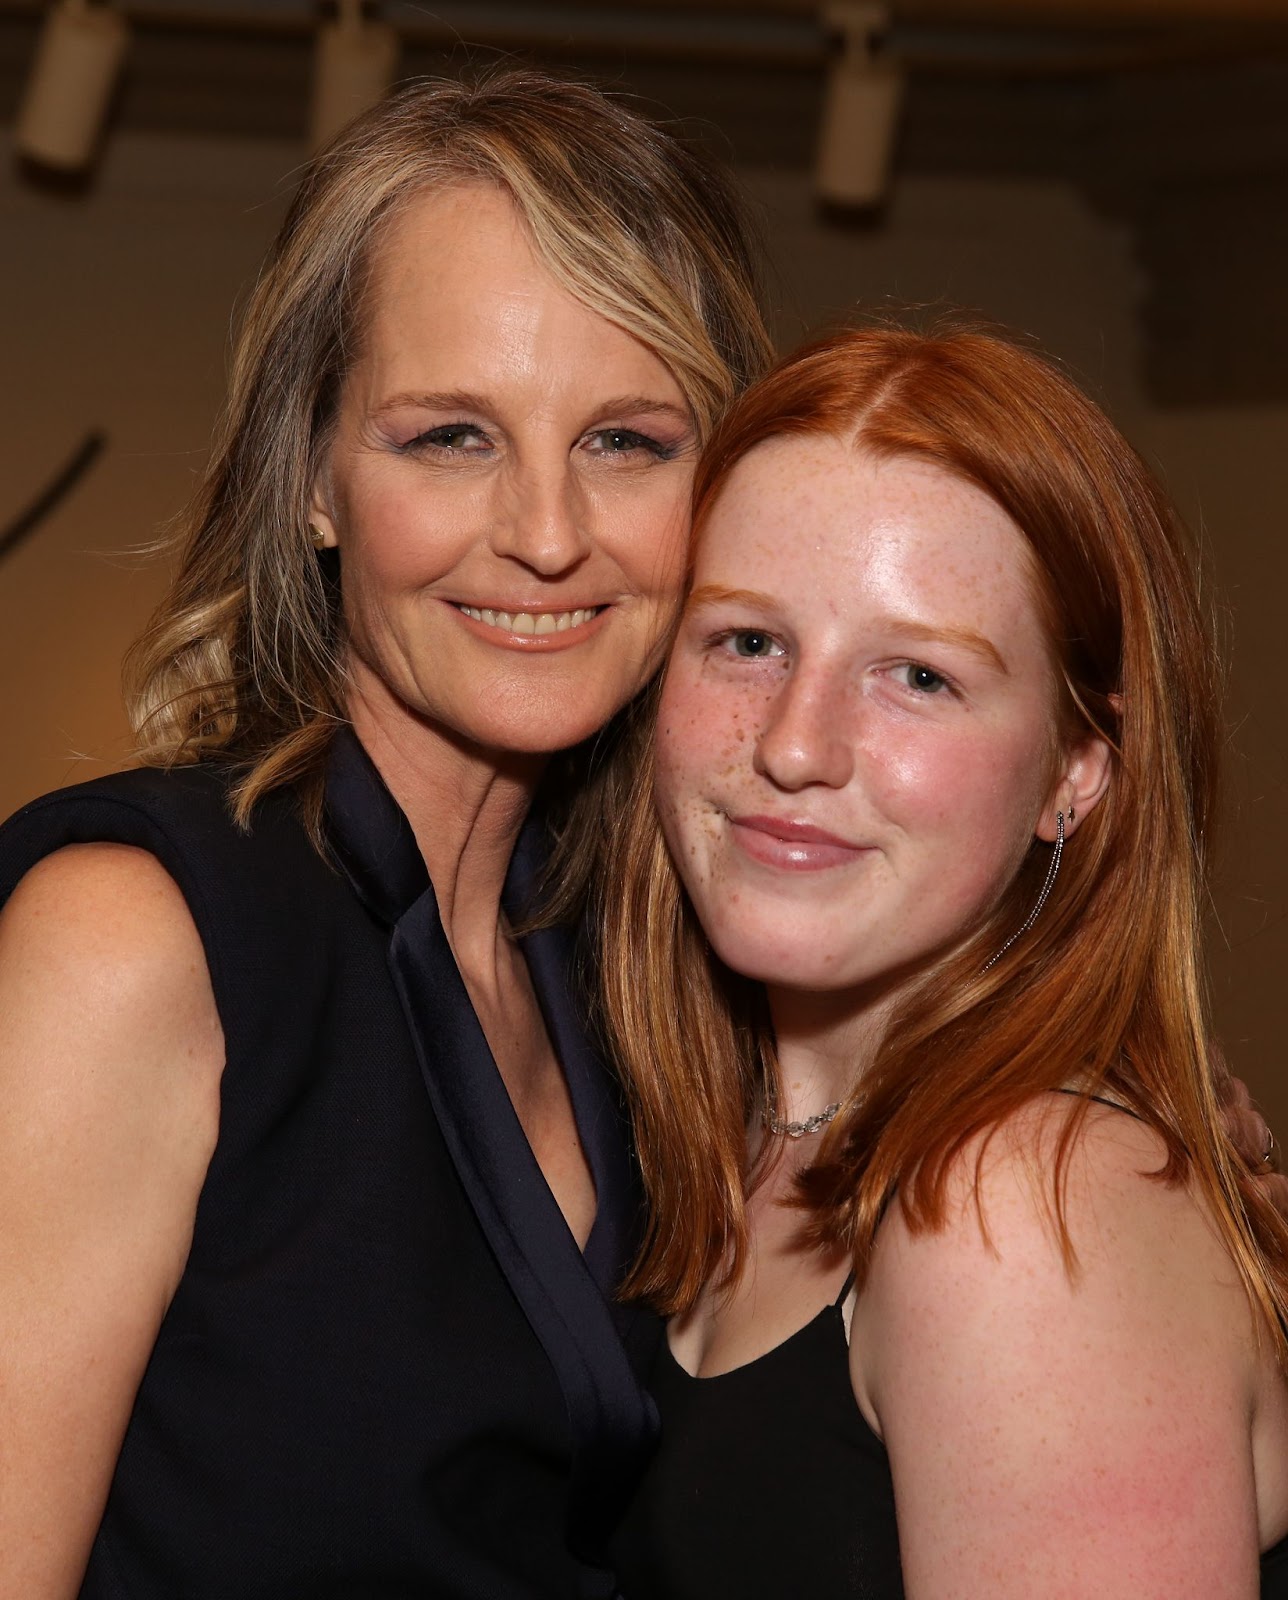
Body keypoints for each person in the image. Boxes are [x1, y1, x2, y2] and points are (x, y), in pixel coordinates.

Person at [0, 70, 772, 1599]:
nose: (548, 532)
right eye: (450, 438)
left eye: (628, 440)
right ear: (314, 481)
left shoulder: (652, 973)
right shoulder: (138, 940)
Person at [602, 325, 1288, 1597]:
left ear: (1079, 770)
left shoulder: (1015, 1207)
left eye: (916, 674)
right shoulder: (693, 1140)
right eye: (746, 642)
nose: (798, 745)